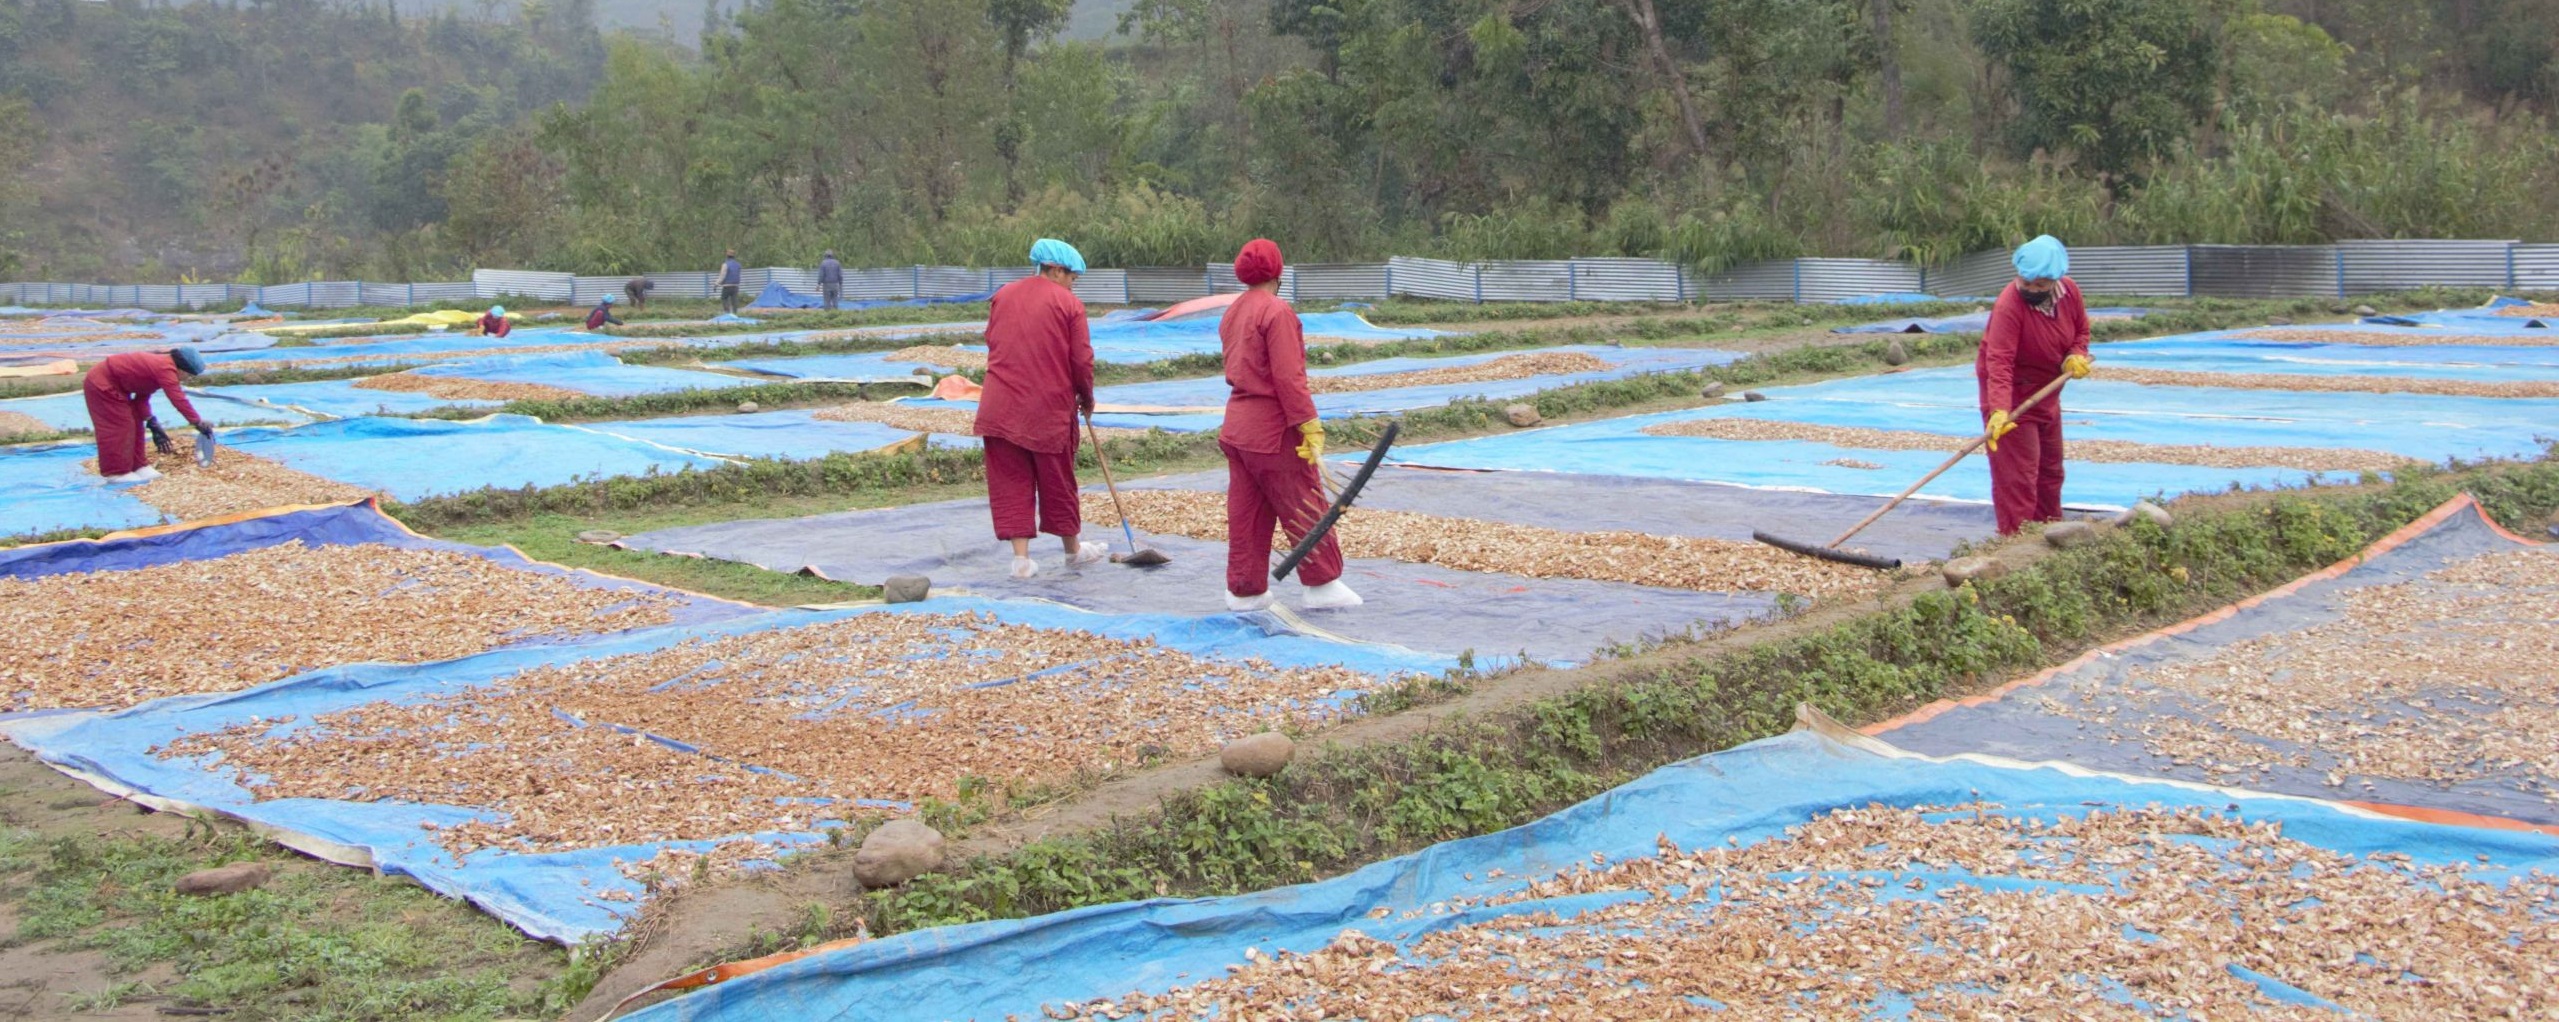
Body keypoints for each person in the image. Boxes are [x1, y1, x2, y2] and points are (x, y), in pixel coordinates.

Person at [1218, 238, 1360, 612]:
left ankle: (1244, 591)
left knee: (1247, 512)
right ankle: (1322, 584)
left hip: (1237, 429)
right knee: (1303, 503)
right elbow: (1288, 378)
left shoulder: (1233, 312)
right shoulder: (1277, 312)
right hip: (1272, 429)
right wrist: (1307, 424)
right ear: (1279, 273)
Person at [974, 238, 1103, 578]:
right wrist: (1086, 397)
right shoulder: (1068, 304)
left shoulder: (1003, 295)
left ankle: (1021, 560)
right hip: (1045, 408)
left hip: (998, 407)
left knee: (1010, 479)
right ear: (1057, 270)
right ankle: (1072, 551)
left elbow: (992, 340)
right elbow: (1081, 360)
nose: (1073, 285)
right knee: (1057, 479)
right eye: (1073, 278)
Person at [1977, 234, 2095, 535]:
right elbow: (1999, 362)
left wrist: (2074, 355)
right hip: (2013, 395)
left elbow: (2081, 330)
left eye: (2040, 285)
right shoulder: (2009, 305)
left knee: (2051, 471)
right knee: (2019, 477)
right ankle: (2016, 544)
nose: (2031, 289)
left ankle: (2050, 537)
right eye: (2025, 282)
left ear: (2056, 279)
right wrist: (1999, 411)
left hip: (2047, 391)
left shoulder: (2070, 293)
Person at [85, 347, 211, 483]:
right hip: (102, 383)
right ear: (182, 369)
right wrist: (196, 422)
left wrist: (152, 422)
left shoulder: (161, 367)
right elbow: (178, 398)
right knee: (120, 425)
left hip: (119, 386)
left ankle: (138, 466)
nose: (187, 379)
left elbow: (141, 398)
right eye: (189, 375)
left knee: (136, 422)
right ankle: (116, 472)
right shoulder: (165, 369)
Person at [718, 249, 744, 314]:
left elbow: (722, 275)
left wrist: (717, 283)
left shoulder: (725, 264)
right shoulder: (738, 264)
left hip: (727, 285)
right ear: (734, 256)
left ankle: (727, 313)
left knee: (724, 298)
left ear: (727, 256)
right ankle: (735, 314)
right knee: (734, 300)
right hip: (735, 285)